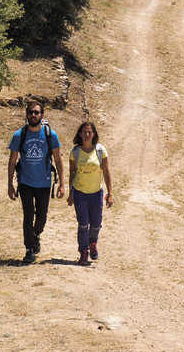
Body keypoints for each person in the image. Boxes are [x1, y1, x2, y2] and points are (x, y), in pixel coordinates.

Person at [7, 101, 63, 263]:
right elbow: (12, 161)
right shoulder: (19, 135)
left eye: (37, 112)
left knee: (41, 219)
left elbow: (58, 160)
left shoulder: (50, 135)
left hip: (44, 183)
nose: (33, 115)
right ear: (26, 114)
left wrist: (62, 183)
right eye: (31, 112)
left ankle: (36, 234)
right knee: (28, 216)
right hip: (25, 182)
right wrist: (10, 185)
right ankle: (29, 249)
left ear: (42, 115)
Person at [66, 120, 113, 266]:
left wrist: (110, 193)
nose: (87, 134)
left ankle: (93, 243)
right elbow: (72, 173)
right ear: (80, 134)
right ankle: (83, 252)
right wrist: (70, 193)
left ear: (94, 134)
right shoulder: (75, 152)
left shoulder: (100, 150)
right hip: (80, 193)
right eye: (84, 132)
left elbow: (106, 172)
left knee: (96, 224)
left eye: (90, 132)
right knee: (83, 224)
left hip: (96, 193)